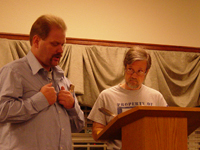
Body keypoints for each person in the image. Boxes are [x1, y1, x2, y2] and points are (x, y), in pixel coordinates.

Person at [0, 14, 85, 150]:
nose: (61, 50)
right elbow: (2, 111)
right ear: (36, 41)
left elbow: (78, 126)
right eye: (55, 44)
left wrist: (72, 106)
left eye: (62, 45)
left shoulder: (63, 79)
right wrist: (39, 100)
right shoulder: (13, 71)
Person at [88, 46, 168, 150]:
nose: (134, 76)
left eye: (139, 71)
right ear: (125, 67)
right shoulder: (106, 96)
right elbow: (96, 133)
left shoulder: (156, 97)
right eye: (130, 69)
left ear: (146, 72)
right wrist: (113, 129)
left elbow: (167, 129)